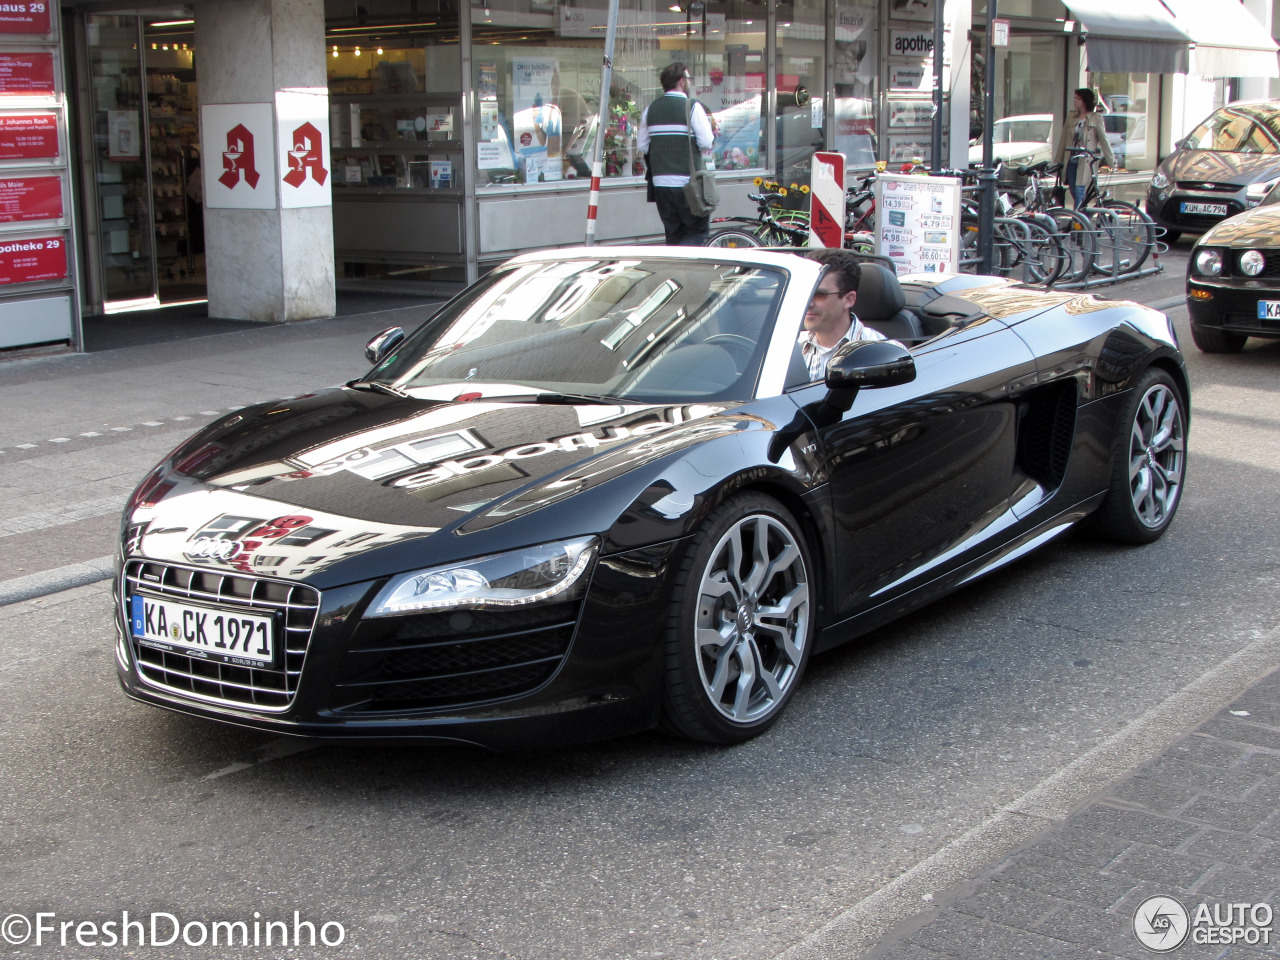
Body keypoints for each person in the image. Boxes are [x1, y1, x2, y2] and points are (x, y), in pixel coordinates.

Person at [638, 62, 715, 245]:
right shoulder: (692, 107)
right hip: (689, 183)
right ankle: (684, 270)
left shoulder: (651, 109)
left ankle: (674, 272)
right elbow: (706, 142)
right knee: (697, 232)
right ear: (681, 81)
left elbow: (642, 146)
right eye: (689, 79)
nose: (689, 82)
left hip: (661, 185)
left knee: (673, 234)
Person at [798, 250, 885, 382]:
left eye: (820, 294)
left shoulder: (879, 350)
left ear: (849, 299)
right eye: (805, 292)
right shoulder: (789, 347)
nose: (808, 303)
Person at [1054, 87, 1114, 209]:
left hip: (1085, 161)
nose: (1074, 101)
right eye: (1074, 98)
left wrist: (1111, 161)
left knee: (1080, 189)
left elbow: (1104, 140)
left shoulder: (1095, 118)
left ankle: (1078, 221)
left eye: (1078, 98)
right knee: (1073, 190)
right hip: (1071, 159)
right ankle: (1082, 214)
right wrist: (1058, 160)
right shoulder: (1072, 117)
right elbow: (1064, 139)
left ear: (1085, 101)